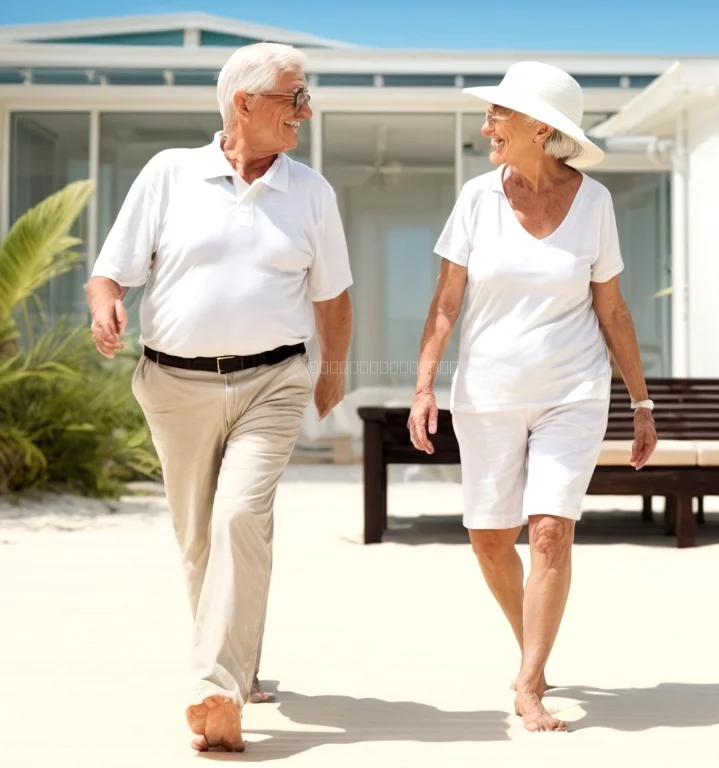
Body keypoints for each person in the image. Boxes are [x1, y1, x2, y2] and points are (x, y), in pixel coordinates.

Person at [86, 43, 353, 752]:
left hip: (273, 380)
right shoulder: (169, 173)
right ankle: (242, 664)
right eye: (295, 97)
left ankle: (215, 685)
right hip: (175, 385)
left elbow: (333, 295)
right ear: (246, 103)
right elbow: (110, 272)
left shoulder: (311, 192)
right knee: (200, 538)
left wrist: (332, 372)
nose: (307, 109)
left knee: (241, 515)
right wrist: (105, 303)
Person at [407, 62, 657, 733]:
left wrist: (640, 402)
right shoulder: (477, 199)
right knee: (490, 539)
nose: (487, 125)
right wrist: (424, 384)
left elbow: (614, 311)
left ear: (540, 127)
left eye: (500, 114)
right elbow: (445, 303)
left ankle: (529, 682)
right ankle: (534, 653)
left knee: (549, 531)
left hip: (573, 392)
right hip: (487, 391)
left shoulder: (595, 204)